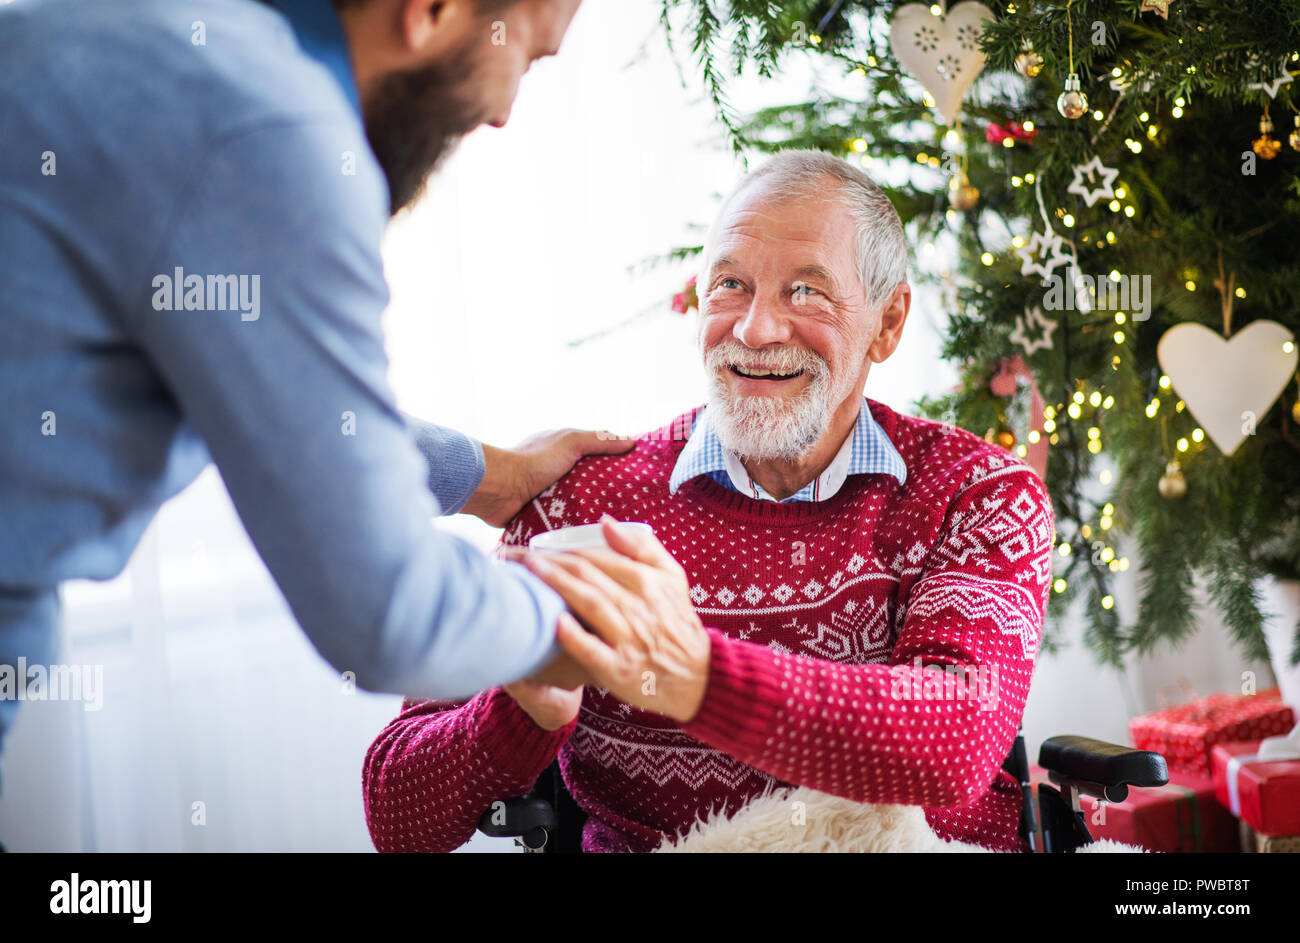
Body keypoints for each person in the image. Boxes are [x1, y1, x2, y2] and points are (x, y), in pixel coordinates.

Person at [362, 150, 1057, 853]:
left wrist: (692, 675)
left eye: (806, 292)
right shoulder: (579, 504)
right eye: (731, 284)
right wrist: (522, 712)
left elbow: (957, 741)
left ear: (888, 321)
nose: (755, 330)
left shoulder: (977, 493)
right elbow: (396, 816)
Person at [0, 0, 619, 765]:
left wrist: (491, 477)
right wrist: (590, 615)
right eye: (525, 58)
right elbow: (389, 612)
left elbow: (297, 412)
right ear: (432, 11)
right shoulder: (267, 135)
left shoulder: (179, 40)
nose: (502, 114)